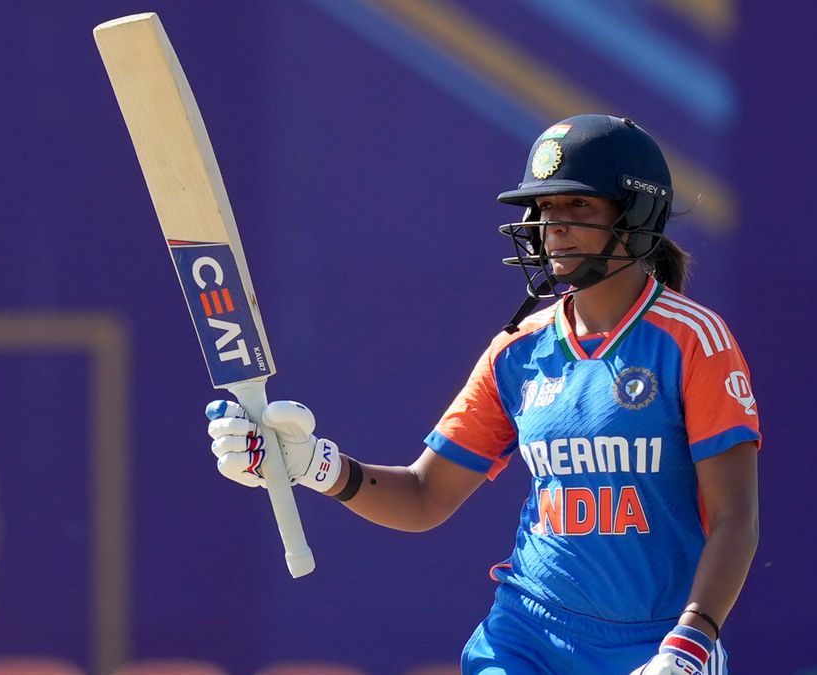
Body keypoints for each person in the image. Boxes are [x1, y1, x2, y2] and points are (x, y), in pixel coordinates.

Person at [206, 114, 761, 674]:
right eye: (545, 208)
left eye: (578, 205)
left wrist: (690, 645)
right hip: (527, 635)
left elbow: (734, 517)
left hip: (659, 640)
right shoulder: (517, 352)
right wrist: (312, 465)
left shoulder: (694, 341)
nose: (555, 226)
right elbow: (424, 496)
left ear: (636, 214)